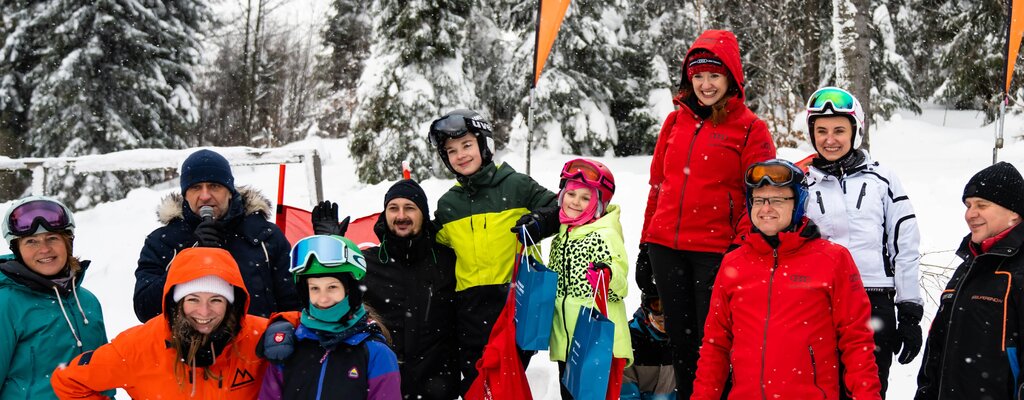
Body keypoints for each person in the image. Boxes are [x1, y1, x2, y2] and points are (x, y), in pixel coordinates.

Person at [638, 29, 776, 395]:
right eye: (697, 76)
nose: (705, 84)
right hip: (665, 248)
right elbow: (658, 187)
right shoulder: (673, 122)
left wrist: (739, 247)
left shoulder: (750, 128)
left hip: (716, 253)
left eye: (714, 75)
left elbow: (762, 196)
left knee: (714, 346)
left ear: (731, 76)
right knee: (680, 346)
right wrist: (645, 244)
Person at [691, 159, 880, 399]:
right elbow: (715, 346)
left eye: (778, 199)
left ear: (799, 203)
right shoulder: (733, 263)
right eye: (759, 200)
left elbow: (856, 341)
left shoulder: (833, 260)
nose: (766, 208)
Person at [802, 87, 924, 396]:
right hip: (818, 302)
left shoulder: (882, 179)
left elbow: (905, 243)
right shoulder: (802, 181)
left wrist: (909, 311)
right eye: (822, 131)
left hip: (873, 299)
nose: (830, 139)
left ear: (856, 131)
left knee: (867, 388)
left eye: (840, 130)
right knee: (820, 388)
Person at [428, 109, 559, 393]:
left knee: (507, 386)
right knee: (477, 387)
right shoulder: (449, 204)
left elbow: (559, 209)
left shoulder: (516, 185)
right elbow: (427, 243)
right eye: (451, 151)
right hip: (470, 313)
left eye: (466, 145)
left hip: (515, 305)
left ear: (484, 145)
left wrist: (539, 222)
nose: (460, 155)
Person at [51, 247, 270, 398]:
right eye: (193, 299)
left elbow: (302, 322)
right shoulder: (139, 346)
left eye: (216, 300)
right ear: (176, 302)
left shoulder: (257, 337)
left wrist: (283, 327)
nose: (204, 311)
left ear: (231, 304)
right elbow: (69, 381)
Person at [134, 149, 300, 322]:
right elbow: (145, 309)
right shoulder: (163, 241)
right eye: (196, 187)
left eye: (214, 186)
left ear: (229, 191)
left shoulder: (265, 236)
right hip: (187, 348)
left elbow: (294, 304)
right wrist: (191, 256)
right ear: (185, 195)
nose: (205, 196)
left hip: (256, 344)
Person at [916, 162, 1024, 399]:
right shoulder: (970, 264)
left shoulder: (1018, 271)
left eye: (981, 205)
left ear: (1014, 212)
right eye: (968, 205)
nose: (970, 214)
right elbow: (937, 348)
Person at [257, 234, 401, 399]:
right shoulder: (288, 347)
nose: (323, 299)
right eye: (314, 288)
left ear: (350, 291)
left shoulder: (375, 353)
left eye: (332, 287)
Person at [0, 196, 108, 399]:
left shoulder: (87, 301)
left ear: (68, 243)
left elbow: (104, 370)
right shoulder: (6, 303)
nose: (44, 249)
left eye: (52, 238)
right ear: (17, 251)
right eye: (31, 241)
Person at [546, 158, 631, 399]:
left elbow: (621, 287)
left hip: (597, 342)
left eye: (586, 198)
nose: (576, 202)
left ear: (598, 204)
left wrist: (608, 274)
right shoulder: (563, 233)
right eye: (572, 194)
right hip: (568, 342)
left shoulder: (604, 234)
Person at [620, 296, 676, 400]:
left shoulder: (687, 340)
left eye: (670, 306)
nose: (664, 315)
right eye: (657, 306)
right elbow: (627, 394)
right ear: (645, 308)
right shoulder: (630, 340)